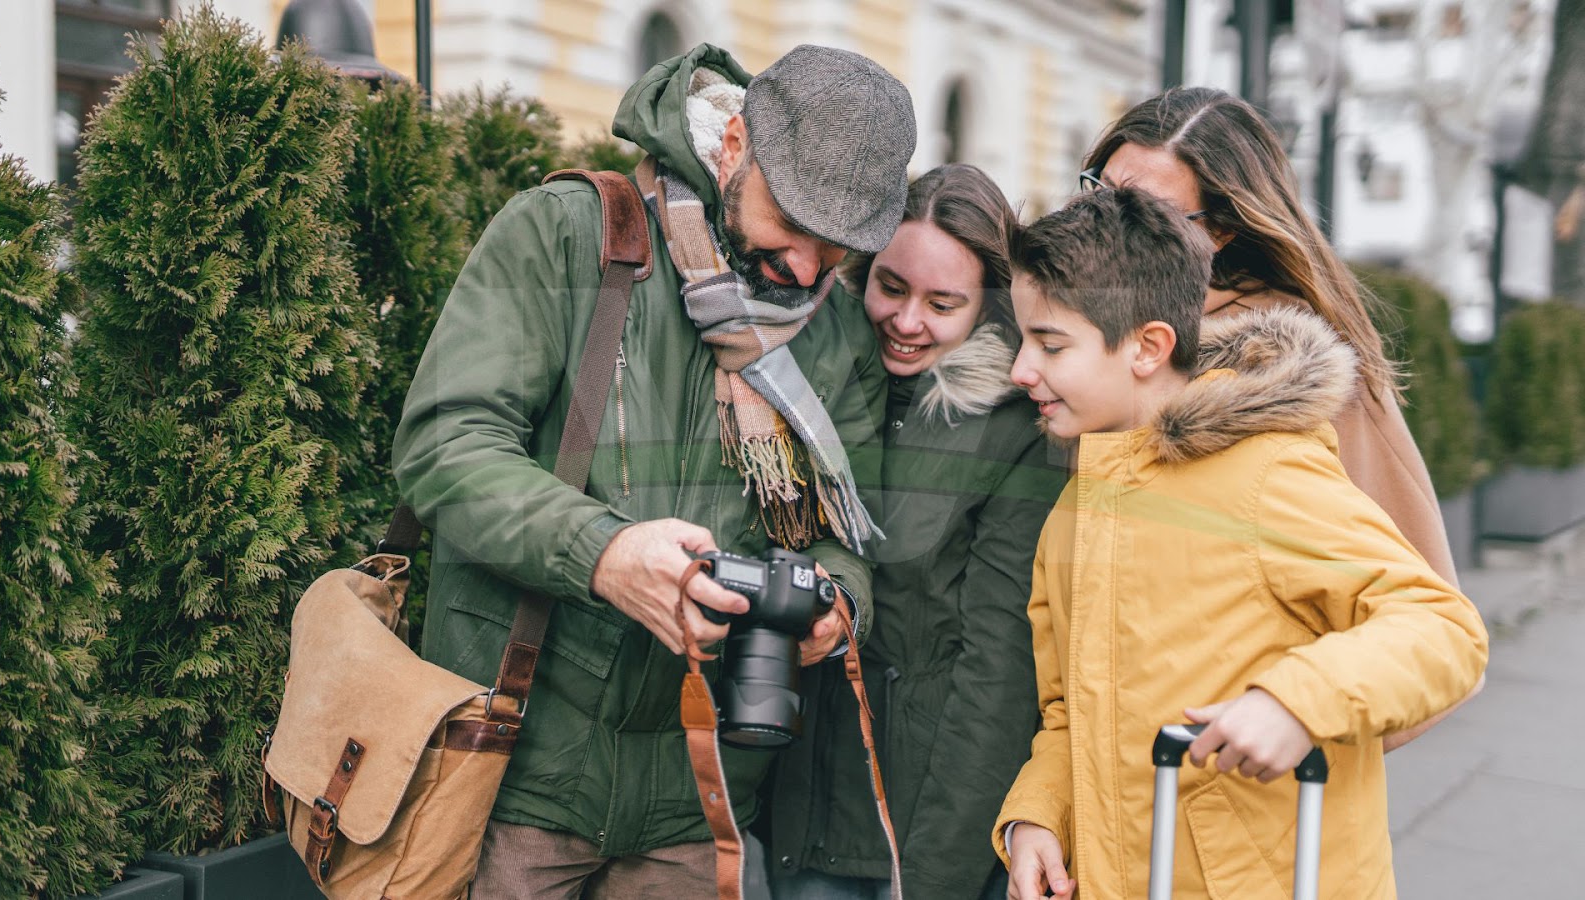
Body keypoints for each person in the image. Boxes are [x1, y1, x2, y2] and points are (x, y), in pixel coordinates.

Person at [392, 43, 915, 899]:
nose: (809, 272)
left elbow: (844, 539)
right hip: (512, 783)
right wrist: (603, 555)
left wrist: (836, 605)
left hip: (700, 809)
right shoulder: (565, 234)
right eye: (795, 224)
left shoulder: (840, 332)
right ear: (735, 142)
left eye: (841, 248)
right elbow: (445, 448)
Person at [992, 185, 1489, 900]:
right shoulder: (1076, 507)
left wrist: (1296, 703)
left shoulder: (1267, 472)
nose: (1021, 369)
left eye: (1049, 344)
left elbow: (1443, 628)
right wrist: (1038, 815)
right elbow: (1074, 711)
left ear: (1148, 346)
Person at [1077, 87, 1480, 750]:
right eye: (1102, 193)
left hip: (1213, 782)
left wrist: (1296, 715)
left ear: (1222, 230)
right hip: (1058, 771)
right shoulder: (1050, 332)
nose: (1111, 226)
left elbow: (1429, 618)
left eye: (1152, 213)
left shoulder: (1296, 373)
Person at [768, 165, 1066, 900]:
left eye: (943, 303)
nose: (907, 321)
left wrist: (936, 875)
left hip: (921, 832)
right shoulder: (806, 385)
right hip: (798, 811)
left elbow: (998, 671)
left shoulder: (1014, 431)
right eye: (891, 288)